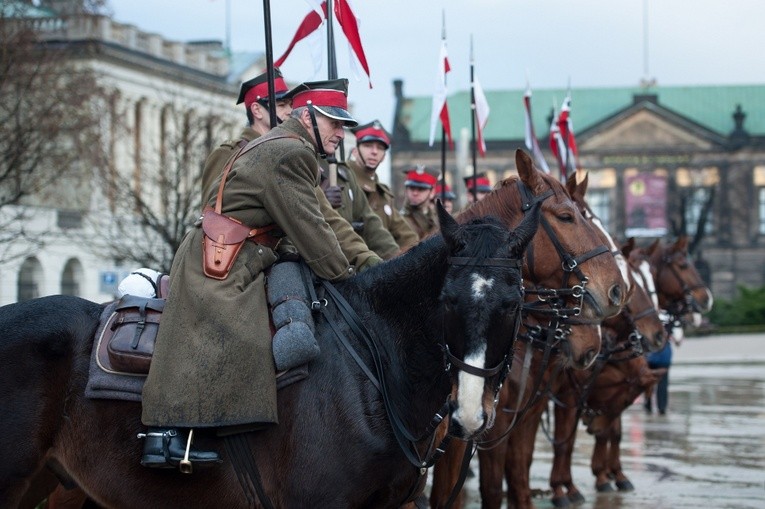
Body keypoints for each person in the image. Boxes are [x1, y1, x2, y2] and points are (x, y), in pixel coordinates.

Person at [140, 78, 382, 470]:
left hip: (239, 253)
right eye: (333, 123)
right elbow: (314, 232)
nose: (341, 134)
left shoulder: (284, 147)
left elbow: (303, 224)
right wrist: (350, 280)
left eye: (343, 125)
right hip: (222, 262)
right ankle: (179, 434)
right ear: (306, 117)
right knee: (244, 335)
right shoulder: (290, 153)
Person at [201, 67, 295, 202]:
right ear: (257, 110)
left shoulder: (287, 154)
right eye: (281, 105)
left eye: (291, 105)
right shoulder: (229, 154)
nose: (290, 111)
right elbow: (209, 209)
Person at [347, 120, 419, 251]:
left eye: (380, 148)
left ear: (384, 156)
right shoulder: (344, 182)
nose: (374, 152)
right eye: (368, 145)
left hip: (382, 264)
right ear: (355, 151)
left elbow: (405, 235)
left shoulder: (383, 194)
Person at [644, 313, 683, 415]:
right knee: (663, 384)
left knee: (648, 382)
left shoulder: (648, 316)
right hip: (664, 357)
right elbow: (678, 341)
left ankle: (648, 406)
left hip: (650, 355)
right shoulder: (670, 318)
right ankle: (662, 408)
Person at [400, 165, 440, 239]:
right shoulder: (400, 220)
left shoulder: (438, 219)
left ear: (432, 192)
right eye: (411, 188)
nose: (415, 193)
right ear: (406, 190)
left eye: (421, 189)